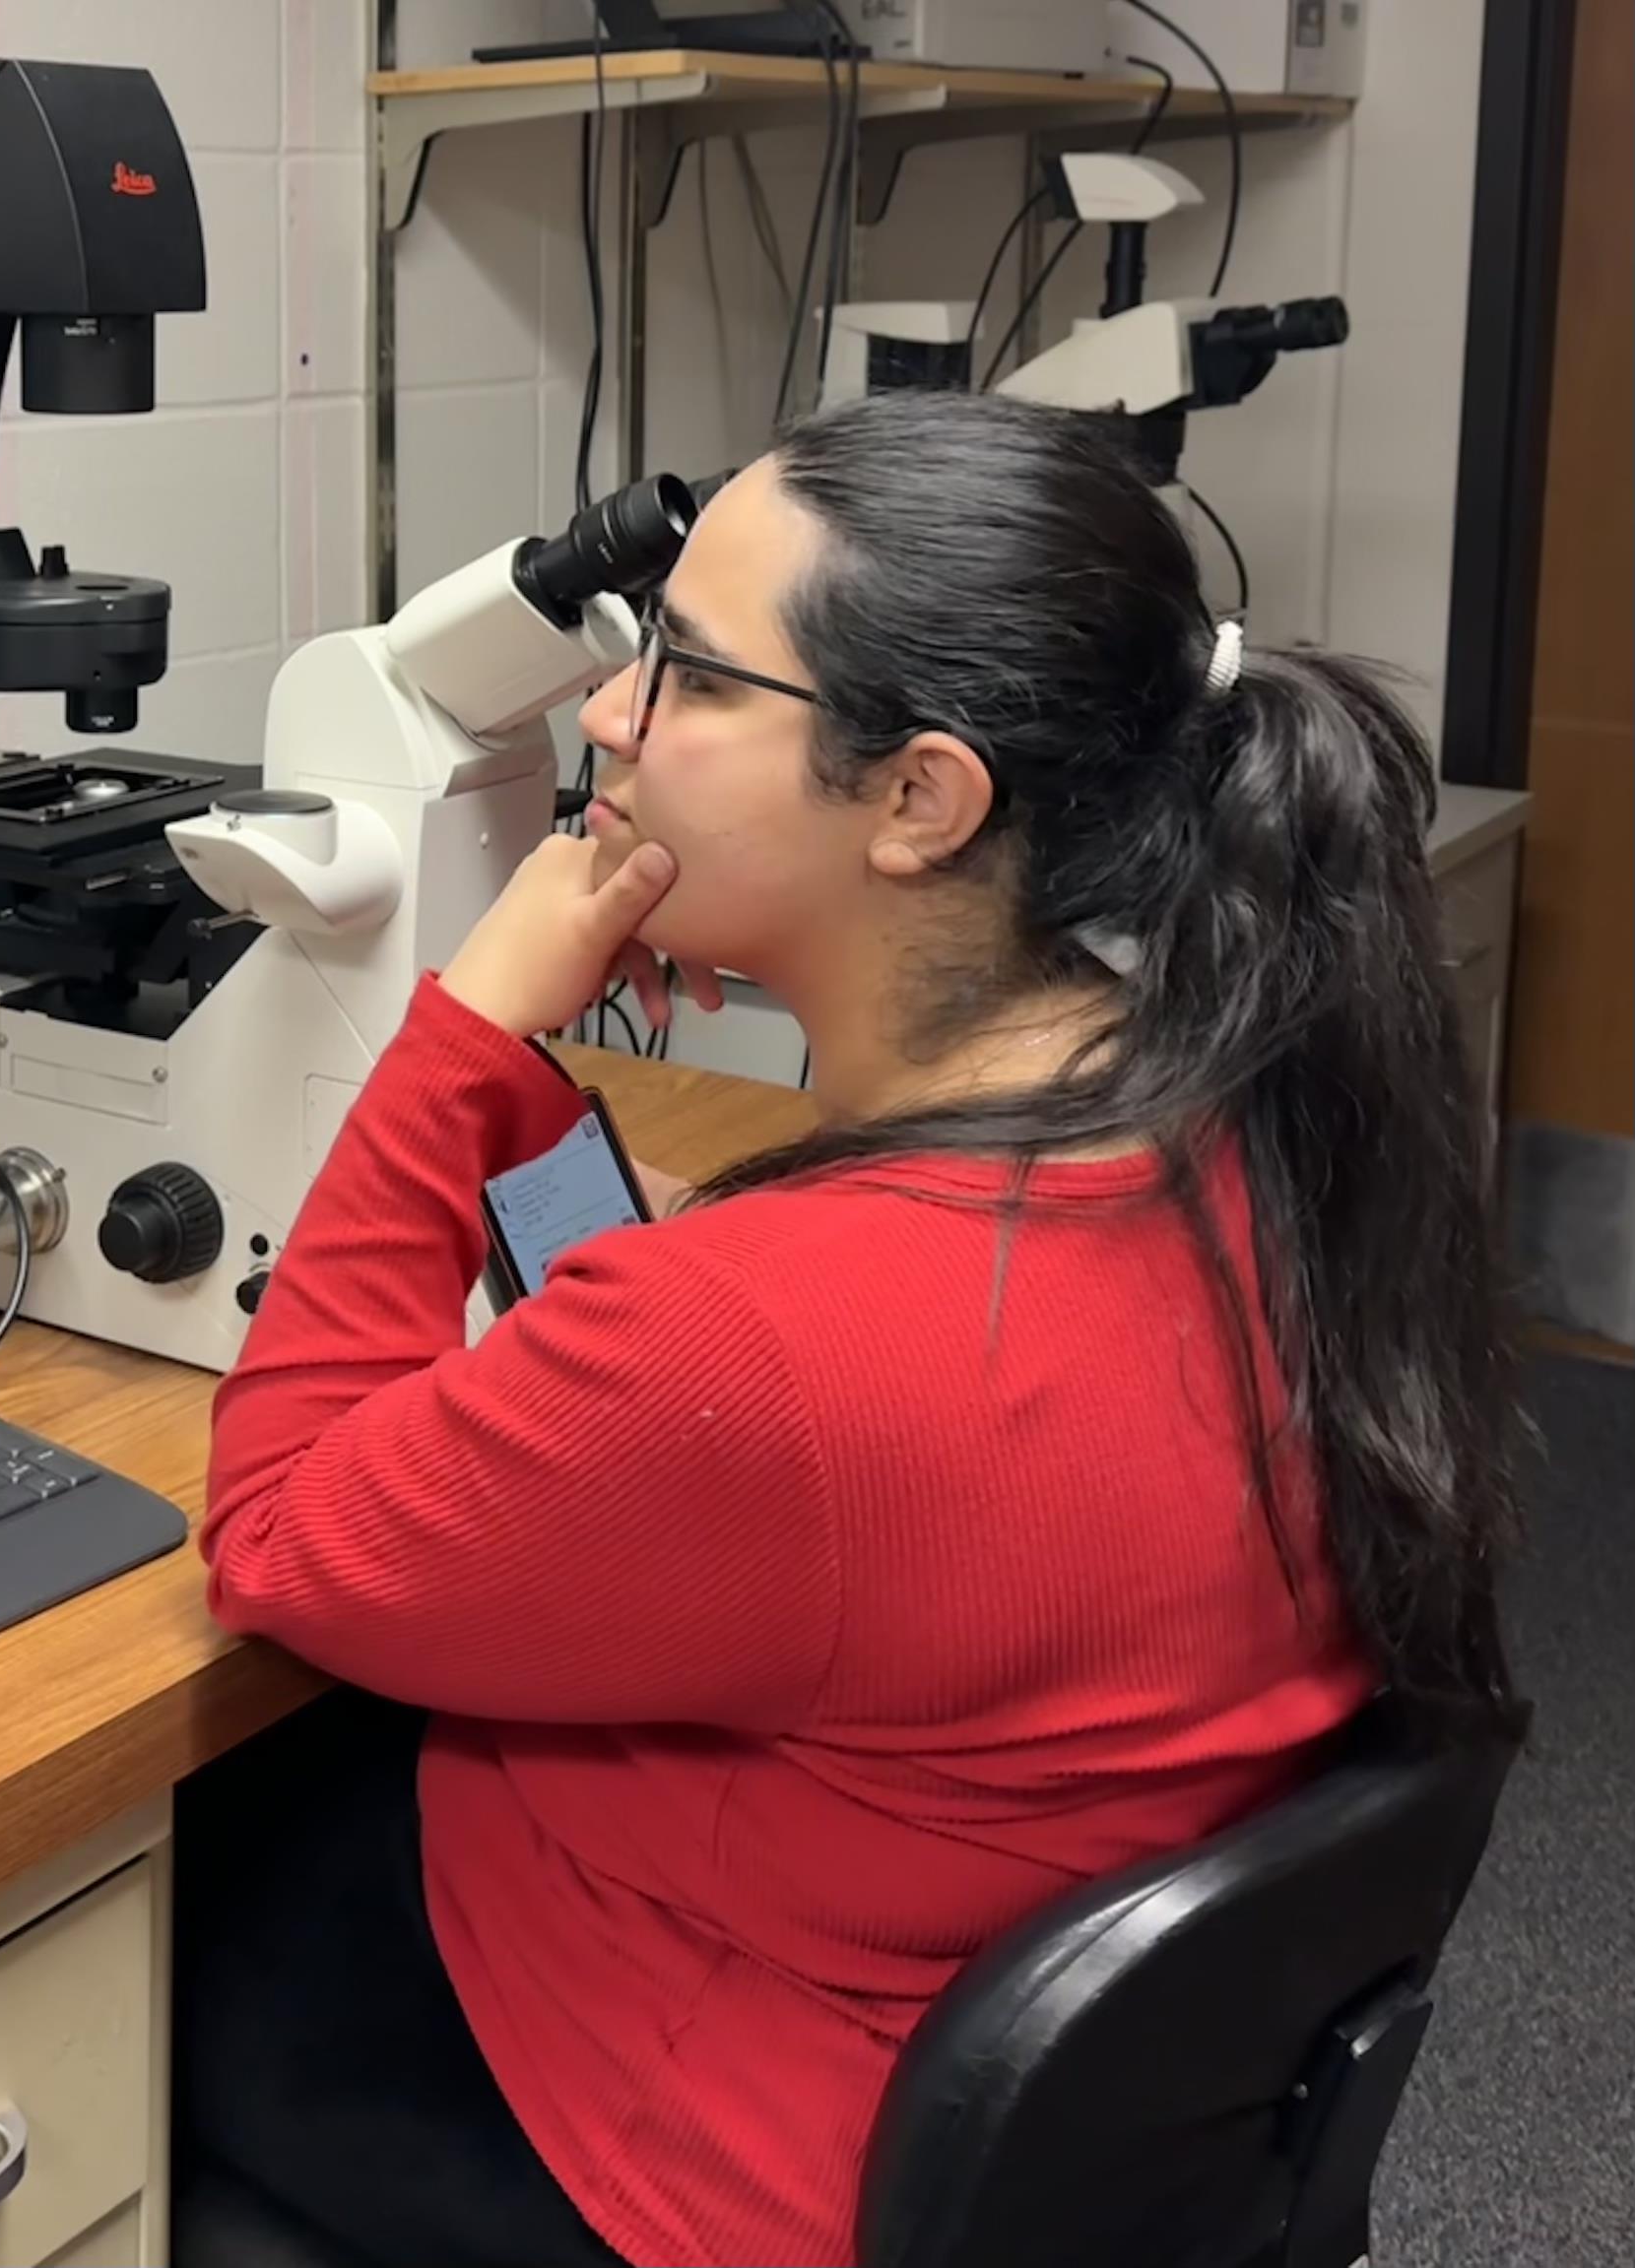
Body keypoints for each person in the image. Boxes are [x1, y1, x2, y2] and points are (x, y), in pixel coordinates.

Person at [172, 391, 1523, 2268]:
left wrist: (464, 1040)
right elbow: (749, 1437)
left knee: (101, 1900)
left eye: (694, 681)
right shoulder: (1249, 1137)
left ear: (920, 798)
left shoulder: (772, 1341)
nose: (604, 718)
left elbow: (278, 1538)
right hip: (1006, 2096)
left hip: (690, 2147)